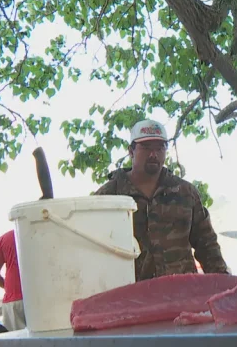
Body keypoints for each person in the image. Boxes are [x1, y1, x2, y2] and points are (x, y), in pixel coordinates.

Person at [95, 119, 229, 282]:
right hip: (129, 295)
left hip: (181, 294)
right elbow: (93, 252)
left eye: (160, 148)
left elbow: (207, 246)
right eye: (146, 148)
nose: (153, 154)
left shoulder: (186, 193)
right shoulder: (108, 197)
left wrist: (225, 286)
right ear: (131, 151)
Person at [0, 230, 25, 331]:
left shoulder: (4, 239)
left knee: (17, 343)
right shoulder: (42, 231)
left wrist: (7, 287)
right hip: (43, 297)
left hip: (14, 300)